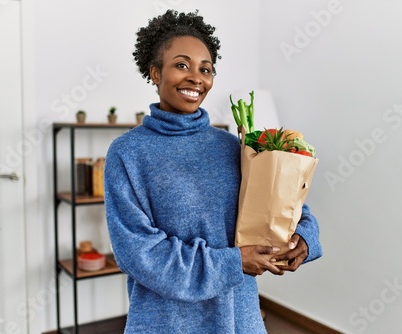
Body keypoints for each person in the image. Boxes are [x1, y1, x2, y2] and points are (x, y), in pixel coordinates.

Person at [104, 9, 322, 334]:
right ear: (154, 72)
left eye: (206, 69)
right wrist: (234, 263)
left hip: (240, 317)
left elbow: (283, 205)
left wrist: (306, 236)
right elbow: (140, 252)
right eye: (181, 65)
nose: (196, 77)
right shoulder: (128, 153)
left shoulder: (233, 145)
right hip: (168, 322)